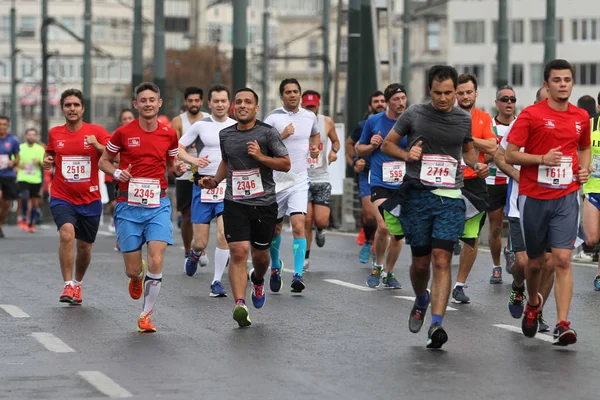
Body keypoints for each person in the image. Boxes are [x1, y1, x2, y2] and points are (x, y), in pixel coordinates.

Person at [381, 65, 489, 349]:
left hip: (451, 197)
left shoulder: (462, 119)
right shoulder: (414, 113)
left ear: (456, 91)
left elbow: (466, 151)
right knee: (420, 263)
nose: (444, 98)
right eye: (438, 93)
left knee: (442, 259)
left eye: (449, 93)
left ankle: (437, 323)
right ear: (430, 90)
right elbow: (388, 145)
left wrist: (476, 164)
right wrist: (407, 153)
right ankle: (420, 299)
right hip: (417, 194)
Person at [505, 59, 591, 346]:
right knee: (534, 263)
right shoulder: (531, 115)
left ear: (572, 83)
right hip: (534, 196)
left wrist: (584, 168)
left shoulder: (581, 117)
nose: (563, 84)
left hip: (567, 195)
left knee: (563, 260)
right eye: (557, 80)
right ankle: (532, 303)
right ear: (547, 84)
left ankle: (562, 323)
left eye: (567, 79)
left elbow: (584, 148)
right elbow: (510, 155)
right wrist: (542, 159)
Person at [99, 82, 187, 332]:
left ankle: (145, 315)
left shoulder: (169, 134)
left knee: (157, 258)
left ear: (159, 103)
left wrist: (178, 169)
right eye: (143, 100)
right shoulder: (123, 133)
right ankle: (138, 276)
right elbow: (103, 161)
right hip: (128, 204)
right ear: (136, 104)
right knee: (132, 269)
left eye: (152, 100)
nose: (148, 104)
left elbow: (172, 165)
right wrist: (117, 173)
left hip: (158, 203)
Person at [199, 87, 290, 327]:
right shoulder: (226, 135)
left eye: (247, 102)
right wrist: (215, 181)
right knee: (238, 252)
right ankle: (239, 304)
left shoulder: (268, 133)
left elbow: (285, 163)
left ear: (256, 107)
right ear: (233, 107)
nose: (242, 105)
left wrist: (261, 157)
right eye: (238, 102)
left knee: (260, 259)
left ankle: (258, 281)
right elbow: (226, 162)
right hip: (234, 202)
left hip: (264, 204)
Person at [42, 88, 111, 304]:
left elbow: (114, 155)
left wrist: (97, 145)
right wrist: (46, 161)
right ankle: (67, 284)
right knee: (66, 234)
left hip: (90, 199)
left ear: (83, 109)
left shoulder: (97, 132)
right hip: (62, 195)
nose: (72, 109)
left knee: (85, 248)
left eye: (76, 105)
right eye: (67, 105)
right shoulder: (55, 133)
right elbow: (50, 154)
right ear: (62, 108)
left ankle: (78, 284)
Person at [494, 86, 554, 332]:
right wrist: (519, 175)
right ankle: (518, 286)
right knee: (522, 262)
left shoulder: (568, 125)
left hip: (553, 202)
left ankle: (536, 311)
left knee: (548, 263)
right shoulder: (523, 124)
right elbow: (500, 156)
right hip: (522, 205)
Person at [178, 84, 236, 297]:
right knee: (200, 241)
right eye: (216, 101)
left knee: (223, 234)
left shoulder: (236, 126)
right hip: (202, 186)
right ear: (209, 103)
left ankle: (216, 281)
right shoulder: (201, 126)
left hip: (226, 188)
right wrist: (193, 160)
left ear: (228, 103)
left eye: (223, 100)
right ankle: (194, 253)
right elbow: (179, 148)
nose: (220, 104)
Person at [264, 78, 320, 293]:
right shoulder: (273, 117)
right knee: (275, 228)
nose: (292, 95)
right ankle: (276, 266)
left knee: (298, 224)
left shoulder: (309, 116)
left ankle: (297, 275)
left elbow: (315, 134)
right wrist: (281, 136)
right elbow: (262, 144)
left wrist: (314, 148)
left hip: (298, 179)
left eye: (296, 91)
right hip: (276, 181)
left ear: (300, 94)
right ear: (282, 96)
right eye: (288, 92)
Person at [356, 83, 409, 288]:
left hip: (403, 183)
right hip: (379, 180)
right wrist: (371, 145)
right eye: (396, 99)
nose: (400, 102)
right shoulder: (374, 121)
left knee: (397, 233)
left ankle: (389, 272)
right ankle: (377, 266)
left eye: (403, 98)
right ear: (388, 102)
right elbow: (360, 149)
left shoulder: (410, 121)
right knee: (385, 225)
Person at [451, 74, 496, 304]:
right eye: (461, 92)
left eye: (469, 92)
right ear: (455, 94)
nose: (465, 96)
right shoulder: (445, 116)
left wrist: (467, 138)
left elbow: (491, 145)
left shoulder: (483, 117)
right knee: (444, 231)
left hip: (474, 180)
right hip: (448, 179)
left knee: (471, 235)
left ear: (476, 93)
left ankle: (459, 285)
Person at [301, 90, 340, 270]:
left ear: (318, 105)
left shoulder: (327, 122)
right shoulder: (297, 123)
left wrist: (333, 151)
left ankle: (321, 229)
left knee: (321, 220)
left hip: (322, 176)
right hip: (303, 178)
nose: (310, 110)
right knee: (307, 220)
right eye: (307, 107)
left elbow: (336, 142)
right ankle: (306, 257)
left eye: (313, 107)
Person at [346, 91, 386, 262]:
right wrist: (354, 161)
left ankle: (378, 245)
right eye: (376, 101)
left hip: (388, 174)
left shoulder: (396, 124)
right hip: (367, 173)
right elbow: (349, 144)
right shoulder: (363, 125)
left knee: (382, 216)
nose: (380, 104)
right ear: (370, 106)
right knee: (369, 214)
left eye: (382, 101)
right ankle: (369, 241)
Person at [171, 87, 210, 264]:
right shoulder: (178, 121)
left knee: (205, 213)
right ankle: (189, 252)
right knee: (186, 214)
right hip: (185, 172)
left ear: (201, 102)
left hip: (206, 171)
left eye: (197, 100)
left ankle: (201, 247)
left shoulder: (208, 119)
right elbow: (175, 148)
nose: (193, 104)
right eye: (190, 101)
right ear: (185, 102)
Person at [484, 86, 517, 278]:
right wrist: (496, 156)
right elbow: (484, 154)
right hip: (493, 181)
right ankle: (496, 266)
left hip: (513, 179)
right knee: (495, 227)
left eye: (512, 99)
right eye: (504, 99)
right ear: (497, 103)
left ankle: (510, 251)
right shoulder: (489, 126)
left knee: (515, 222)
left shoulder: (520, 124)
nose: (509, 103)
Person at [16, 128, 46, 232]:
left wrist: (38, 162)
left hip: (36, 179)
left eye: (33, 135)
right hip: (23, 177)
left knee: (34, 203)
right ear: (25, 136)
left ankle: (32, 223)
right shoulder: (20, 148)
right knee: (24, 196)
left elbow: (44, 164)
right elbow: (14, 161)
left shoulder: (40, 149)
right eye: (29, 135)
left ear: (36, 137)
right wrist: (20, 165)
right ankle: (24, 217)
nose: (31, 137)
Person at [0, 115, 20, 238]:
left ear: (8, 126)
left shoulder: (13, 140)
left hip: (8, 174)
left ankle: (0, 224)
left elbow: (17, 157)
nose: (2, 127)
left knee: (6, 204)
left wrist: (14, 162)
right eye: (0, 124)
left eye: (4, 124)